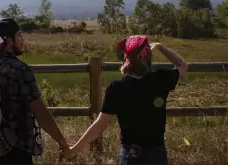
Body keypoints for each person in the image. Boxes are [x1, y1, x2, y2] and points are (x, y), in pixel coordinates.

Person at [62, 35, 189, 165]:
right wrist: (160, 47)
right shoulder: (161, 79)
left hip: (130, 155)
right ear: (148, 57)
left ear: (126, 58)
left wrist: (73, 150)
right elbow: (182, 65)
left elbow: (99, 125)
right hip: (156, 154)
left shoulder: (117, 88)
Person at [0, 18, 72, 164]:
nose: (22, 39)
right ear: (9, 41)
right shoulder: (20, 70)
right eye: (19, 35)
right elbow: (40, 112)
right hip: (16, 152)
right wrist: (62, 143)